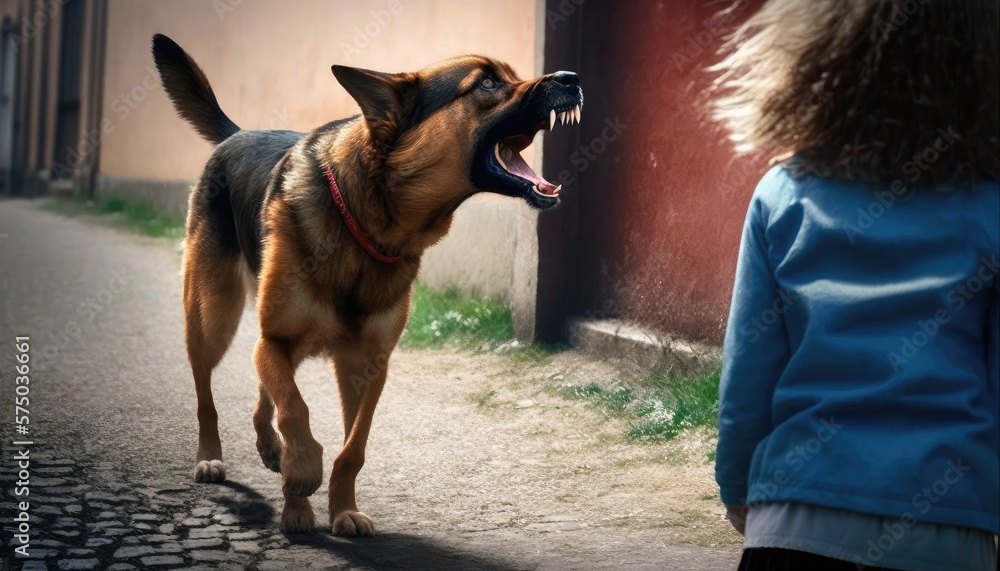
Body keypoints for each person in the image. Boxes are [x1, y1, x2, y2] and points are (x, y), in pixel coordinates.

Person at [710, 0, 999, 569]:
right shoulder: (991, 204)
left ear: (820, 53)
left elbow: (747, 377)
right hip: (946, 529)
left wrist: (738, 487)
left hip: (793, 515)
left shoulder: (782, 192)